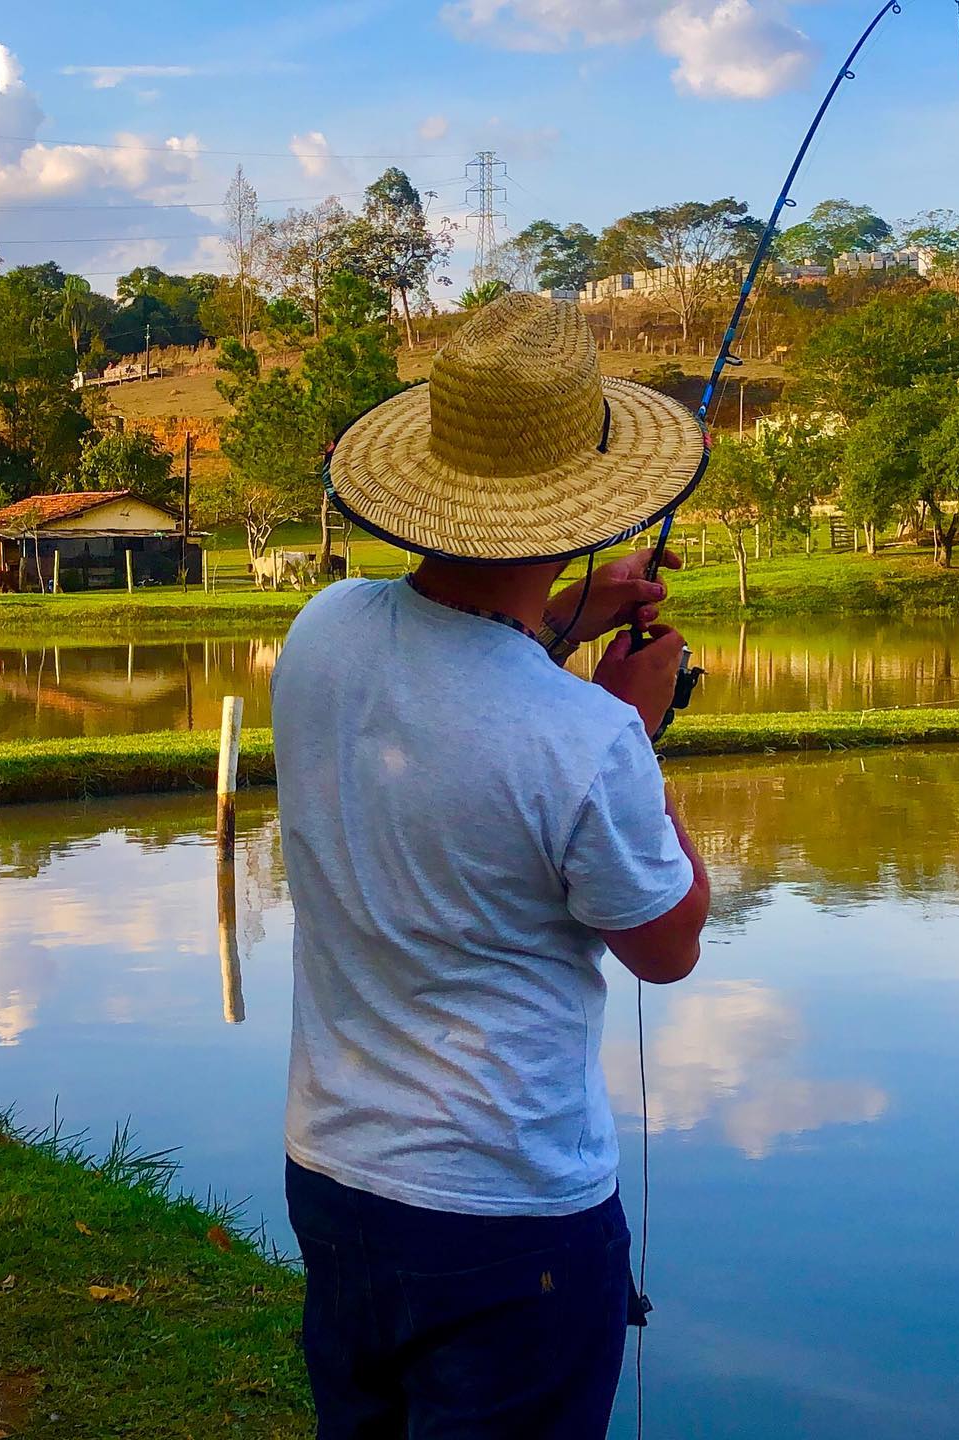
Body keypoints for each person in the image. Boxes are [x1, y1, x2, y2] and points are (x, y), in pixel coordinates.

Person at [272, 292, 713, 1439]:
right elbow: (667, 945)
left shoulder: (321, 634)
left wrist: (568, 617)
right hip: (511, 1220)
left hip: (335, 1177)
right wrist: (637, 735)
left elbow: (453, 666)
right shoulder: (585, 737)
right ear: (583, 502)